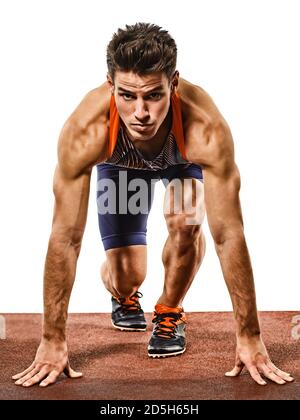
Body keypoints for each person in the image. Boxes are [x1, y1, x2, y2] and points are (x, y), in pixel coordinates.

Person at [12, 22, 294, 388]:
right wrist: (52, 339)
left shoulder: (204, 128)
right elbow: (65, 237)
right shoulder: (87, 131)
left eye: (153, 96)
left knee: (186, 220)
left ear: (173, 84)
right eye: (127, 96)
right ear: (110, 85)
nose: (141, 112)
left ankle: (169, 309)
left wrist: (250, 336)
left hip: (181, 159)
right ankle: (122, 294)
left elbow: (227, 235)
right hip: (120, 165)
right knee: (128, 276)